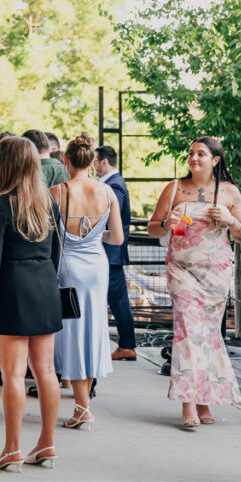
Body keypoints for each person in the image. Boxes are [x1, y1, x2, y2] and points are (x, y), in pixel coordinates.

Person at [147, 136, 241, 427]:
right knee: (188, 332)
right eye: (191, 153)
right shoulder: (175, 188)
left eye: (201, 154)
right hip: (181, 270)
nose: (193, 158)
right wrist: (168, 223)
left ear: (215, 160)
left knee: (208, 336)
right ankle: (188, 402)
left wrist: (230, 220)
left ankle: (206, 400)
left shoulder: (229, 192)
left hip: (215, 273)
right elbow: (153, 228)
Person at [0, 136, 62, 472]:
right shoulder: (48, 203)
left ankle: (12, 449)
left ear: (6, 163)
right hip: (45, 289)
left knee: (12, 373)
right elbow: (55, 256)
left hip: (12, 289)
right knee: (46, 371)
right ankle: (47, 444)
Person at [51, 133, 124, 430]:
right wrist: (97, 236)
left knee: (72, 332)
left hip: (68, 268)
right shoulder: (106, 193)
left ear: (67, 161)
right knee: (93, 329)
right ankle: (83, 405)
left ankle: (82, 407)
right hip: (96, 267)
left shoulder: (56, 192)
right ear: (92, 162)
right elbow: (117, 238)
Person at [94, 145, 136, 361]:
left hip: (111, 252)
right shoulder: (109, 183)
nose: (93, 165)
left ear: (104, 161)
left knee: (118, 301)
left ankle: (127, 345)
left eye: (95, 161)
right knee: (116, 300)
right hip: (110, 252)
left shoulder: (115, 185)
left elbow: (112, 214)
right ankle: (126, 344)